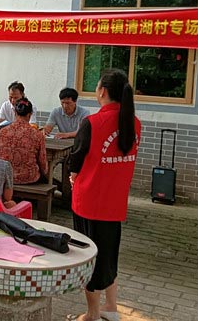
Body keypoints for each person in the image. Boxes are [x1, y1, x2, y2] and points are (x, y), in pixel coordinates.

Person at [66, 68, 140, 321]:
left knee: (91, 258)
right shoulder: (134, 123)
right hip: (114, 203)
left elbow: (76, 158)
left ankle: (92, 314)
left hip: (90, 202)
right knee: (109, 256)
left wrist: (73, 176)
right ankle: (111, 307)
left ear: (103, 91)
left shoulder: (93, 123)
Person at [0, 98, 47, 184]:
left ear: (15, 113)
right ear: (30, 114)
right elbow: (43, 163)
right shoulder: (37, 134)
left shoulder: (4, 131)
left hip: (6, 176)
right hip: (29, 178)